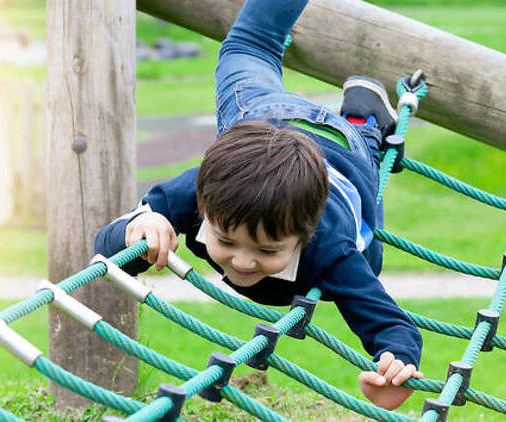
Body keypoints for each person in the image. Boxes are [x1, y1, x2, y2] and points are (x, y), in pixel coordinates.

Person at [94, 0, 423, 410]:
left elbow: (392, 325)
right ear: (206, 208)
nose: (244, 262)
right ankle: (358, 109)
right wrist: (138, 226)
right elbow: (106, 252)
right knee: (249, 45)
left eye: (268, 250)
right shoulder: (193, 195)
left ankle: (365, 122)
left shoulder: (331, 249)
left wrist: (396, 366)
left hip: (341, 152)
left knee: (369, 254)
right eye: (227, 240)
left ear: (305, 235)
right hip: (260, 121)